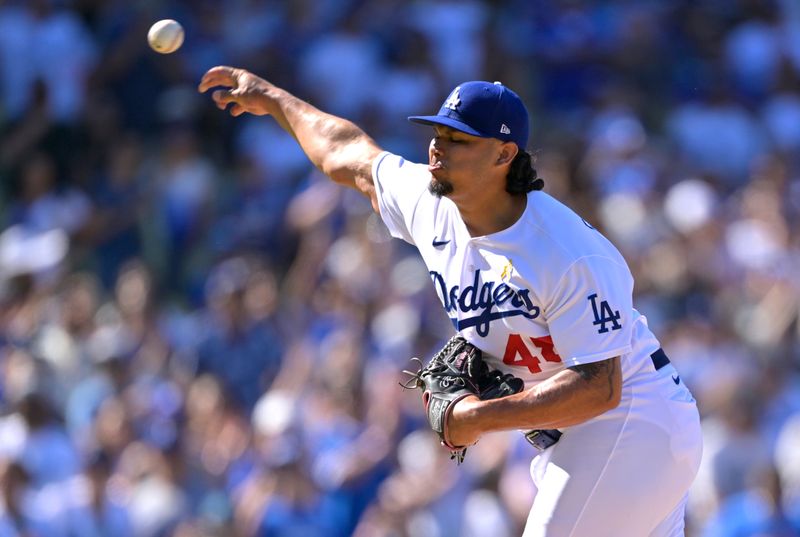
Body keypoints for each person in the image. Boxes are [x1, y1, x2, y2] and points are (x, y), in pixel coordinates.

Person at [198, 66, 703, 536]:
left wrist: (480, 417)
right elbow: (344, 153)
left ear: (504, 155)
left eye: (457, 140)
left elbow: (601, 388)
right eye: (437, 134)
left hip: (632, 422)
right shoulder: (429, 201)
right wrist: (272, 98)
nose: (437, 150)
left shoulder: (569, 252)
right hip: (586, 439)